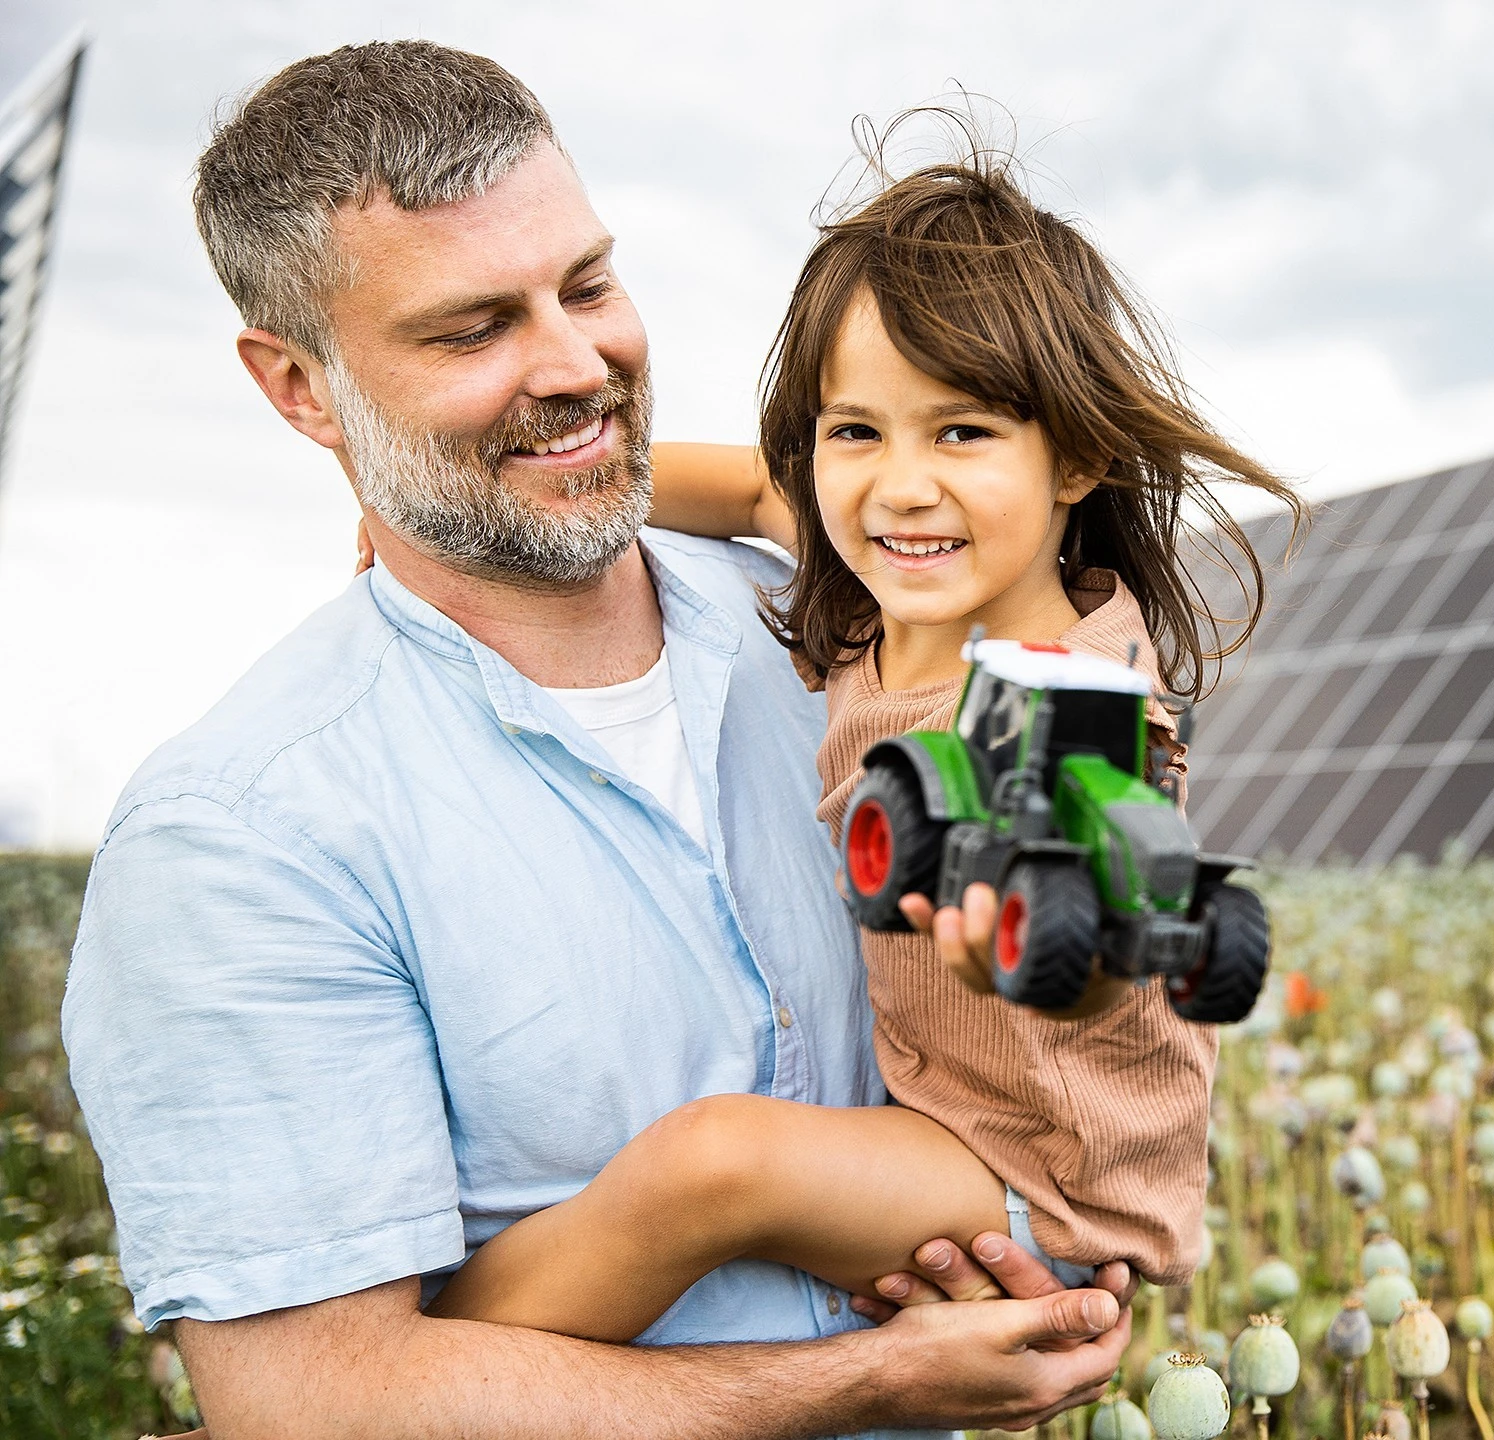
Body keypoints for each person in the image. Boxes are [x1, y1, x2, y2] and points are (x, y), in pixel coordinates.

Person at [58, 42, 1179, 1440]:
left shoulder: (843, 623)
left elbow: (1098, 1031)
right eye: (474, 330)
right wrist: (873, 1380)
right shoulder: (238, 839)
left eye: (588, 285)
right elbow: (308, 1412)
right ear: (298, 387)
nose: (578, 363)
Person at [413, 129, 1300, 1341]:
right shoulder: (879, 579)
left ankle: (384, 1391)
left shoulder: (1066, 698)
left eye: (963, 434)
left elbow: (1103, 945)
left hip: (1049, 1172)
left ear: (1080, 456)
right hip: (940, 1112)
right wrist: (475, 510)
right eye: (856, 431)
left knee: (713, 1164)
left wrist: (1044, 948)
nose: (898, 487)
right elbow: (734, 488)